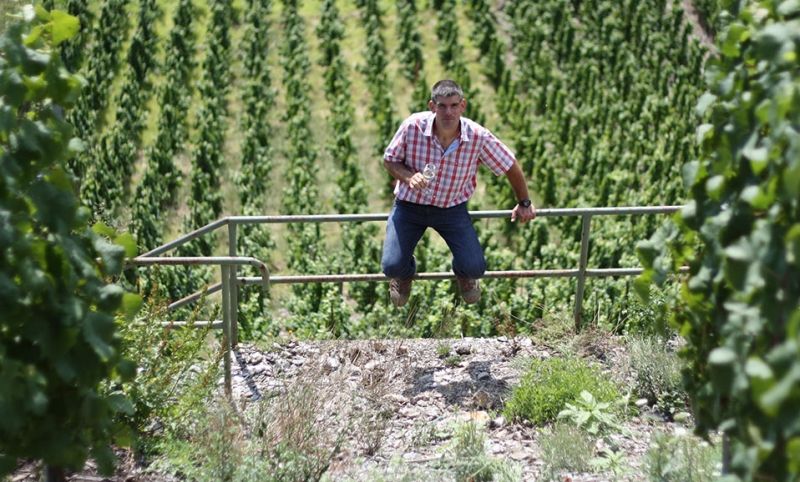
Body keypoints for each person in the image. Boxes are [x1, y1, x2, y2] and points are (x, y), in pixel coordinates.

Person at [381, 79, 536, 307]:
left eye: (454, 105)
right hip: (409, 206)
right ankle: (404, 274)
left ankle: (464, 275)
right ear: (432, 106)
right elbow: (389, 160)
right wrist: (407, 176)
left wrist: (524, 202)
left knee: (475, 267)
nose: (448, 112)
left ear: (463, 106)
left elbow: (509, 165)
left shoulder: (477, 136)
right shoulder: (412, 126)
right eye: (442, 106)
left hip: (451, 209)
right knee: (391, 266)